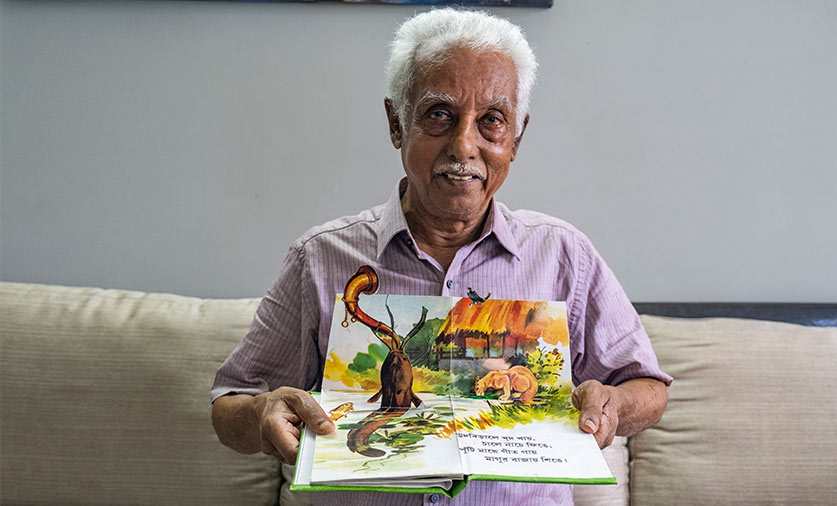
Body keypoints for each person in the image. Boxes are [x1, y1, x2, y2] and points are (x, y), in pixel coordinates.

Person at [211, 7, 671, 506]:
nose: (464, 144)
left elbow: (646, 387)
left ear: (515, 137)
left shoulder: (564, 254)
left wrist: (614, 404)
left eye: (491, 121)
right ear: (396, 123)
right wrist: (260, 415)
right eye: (439, 115)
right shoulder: (321, 258)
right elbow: (228, 403)